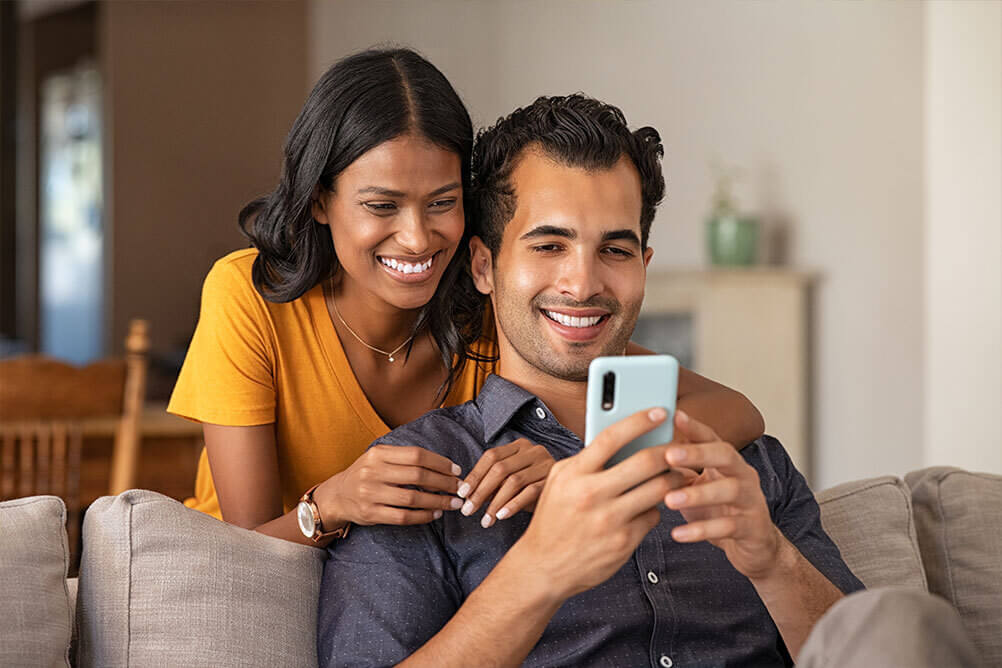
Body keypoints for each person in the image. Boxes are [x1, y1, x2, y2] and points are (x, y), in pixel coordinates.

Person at [316, 94, 864, 666]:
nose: (582, 283)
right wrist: (537, 573)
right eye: (550, 245)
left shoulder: (747, 466)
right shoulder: (418, 478)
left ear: (643, 269)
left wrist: (773, 560)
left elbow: (872, 651)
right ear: (484, 266)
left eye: (615, 249)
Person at [167, 48, 766, 547]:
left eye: (442, 202)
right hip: (259, 577)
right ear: (321, 200)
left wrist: (578, 462)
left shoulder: (491, 307)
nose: (418, 236)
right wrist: (333, 501)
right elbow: (243, 546)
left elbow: (736, 410)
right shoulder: (250, 296)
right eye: (382, 206)